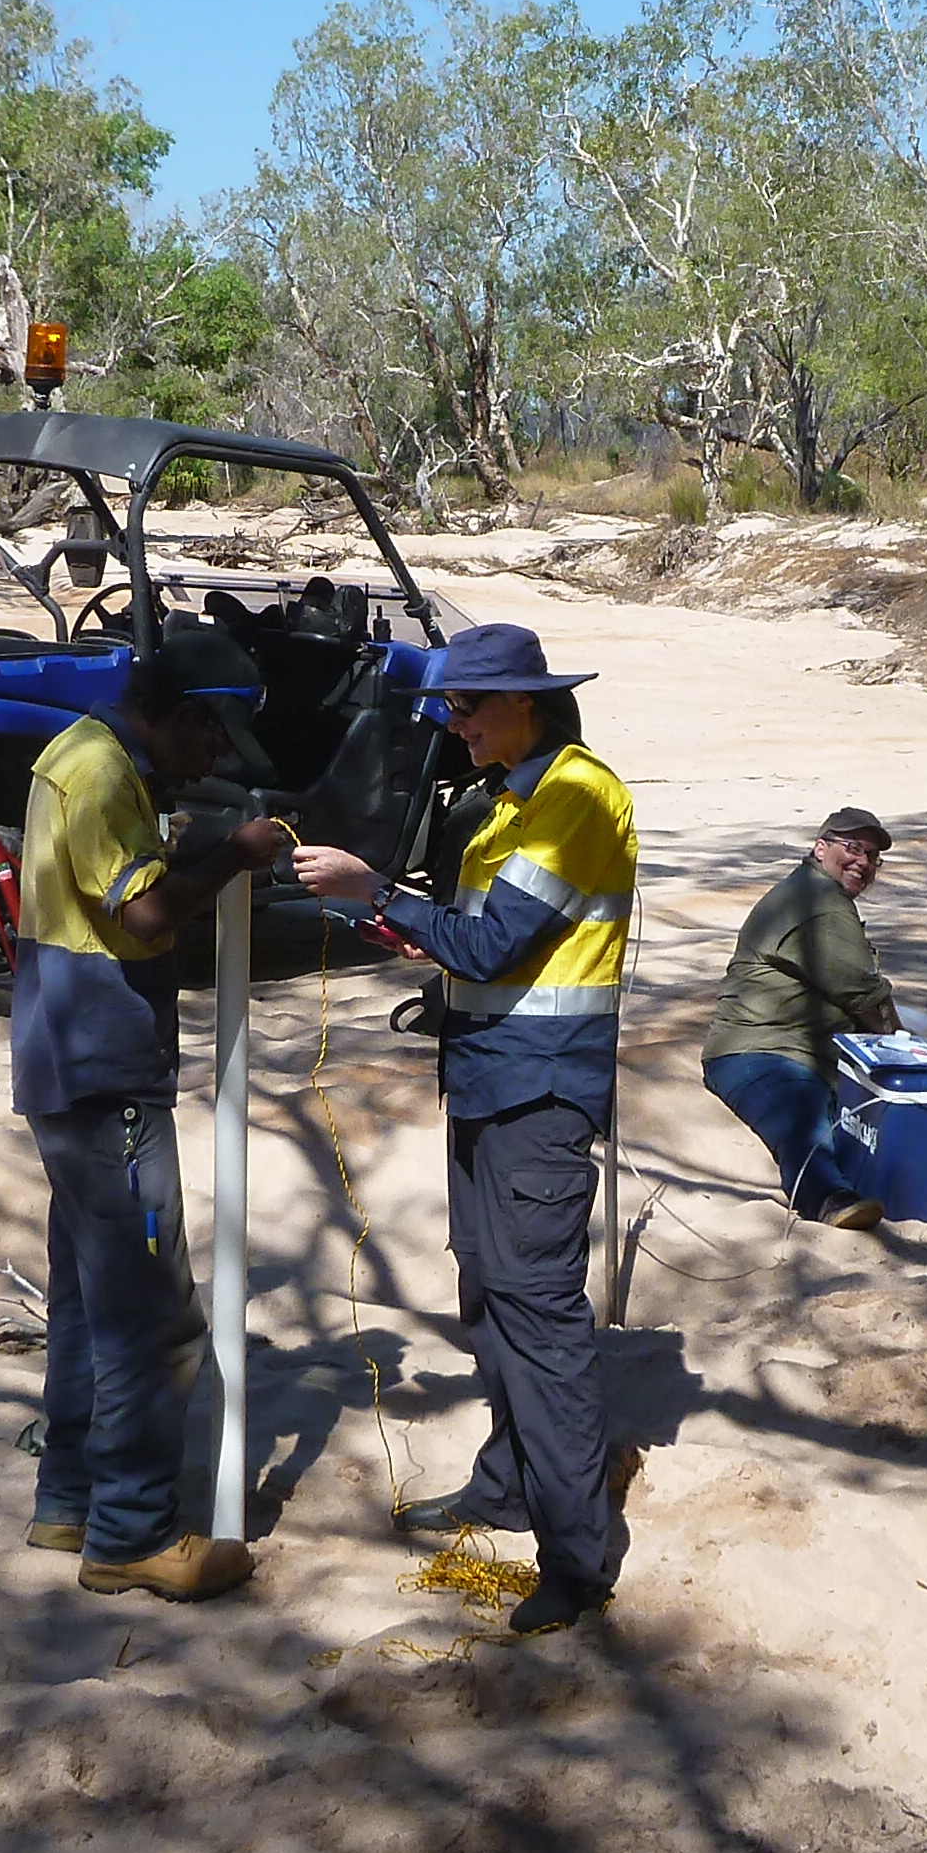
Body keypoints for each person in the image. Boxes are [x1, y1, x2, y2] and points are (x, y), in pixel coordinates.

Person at [286, 621, 635, 1637]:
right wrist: (369, 910)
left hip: (539, 1094)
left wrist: (374, 889)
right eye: (449, 704)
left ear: (526, 702)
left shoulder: (571, 792)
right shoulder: (504, 804)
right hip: (488, 1084)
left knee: (540, 1317)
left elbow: (488, 943)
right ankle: (507, 1485)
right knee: (489, 1298)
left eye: (468, 705)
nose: (454, 723)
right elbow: (463, 941)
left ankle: (576, 1556)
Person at [16, 624, 293, 1602]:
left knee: (90, 1301)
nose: (214, 759)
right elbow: (142, 914)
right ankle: (131, 1533)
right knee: (151, 1316)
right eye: (211, 739)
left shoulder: (79, 752)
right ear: (178, 714)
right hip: (101, 1071)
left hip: (64, 1060)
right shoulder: (98, 774)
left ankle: (69, 1497)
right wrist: (231, 856)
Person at [699, 809, 904, 1228]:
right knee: (802, 1118)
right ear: (820, 848)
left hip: (803, 1053)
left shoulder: (815, 893)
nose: (862, 862)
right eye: (852, 848)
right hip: (758, 1051)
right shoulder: (819, 903)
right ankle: (826, 1199)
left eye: (871, 856)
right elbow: (862, 992)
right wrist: (901, 1044)